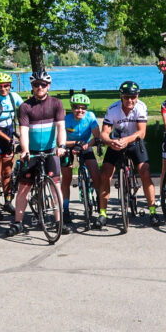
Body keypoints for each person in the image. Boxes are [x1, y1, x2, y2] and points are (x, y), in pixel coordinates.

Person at [7, 71, 68, 237]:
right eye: (36, 84)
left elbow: (61, 127)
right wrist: (25, 150)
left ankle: (58, 221)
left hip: (50, 151)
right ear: (32, 86)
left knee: (56, 187)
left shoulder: (56, 103)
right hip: (32, 153)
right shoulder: (26, 107)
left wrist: (61, 146)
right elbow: (24, 131)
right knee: (23, 189)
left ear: (48, 86)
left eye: (43, 84)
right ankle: (18, 222)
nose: (39, 87)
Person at [97, 81, 159, 227]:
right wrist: (110, 142)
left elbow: (141, 132)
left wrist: (126, 140)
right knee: (105, 174)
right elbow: (104, 133)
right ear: (121, 97)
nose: (130, 100)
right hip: (116, 142)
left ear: (137, 96)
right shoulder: (112, 109)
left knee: (145, 172)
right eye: (126, 97)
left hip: (134, 141)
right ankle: (102, 214)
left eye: (133, 97)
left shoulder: (141, 107)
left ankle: (152, 211)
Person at [61, 93, 101, 231]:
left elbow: (97, 137)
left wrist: (87, 145)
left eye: (83, 108)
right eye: (77, 108)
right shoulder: (66, 119)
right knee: (66, 178)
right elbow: (61, 141)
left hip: (85, 145)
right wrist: (74, 144)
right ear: (72, 108)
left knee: (95, 174)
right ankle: (65, 209)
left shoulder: (90, 117)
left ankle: (99, 201)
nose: (80, 111)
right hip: (69, 147)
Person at [0, 72, 23, 217]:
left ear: (10, 86)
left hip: (9, 138)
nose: (3, 88)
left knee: (7, 173)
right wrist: (7, 138)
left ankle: (8, 202)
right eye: (0, 86)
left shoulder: (14, 97)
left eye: (6, 86)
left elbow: (26, 112)